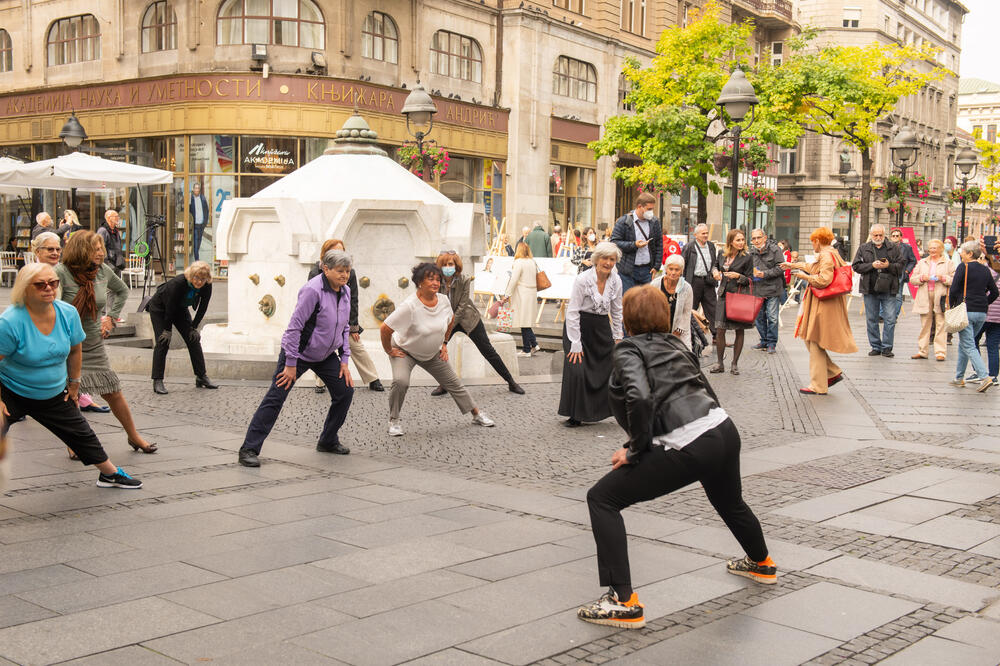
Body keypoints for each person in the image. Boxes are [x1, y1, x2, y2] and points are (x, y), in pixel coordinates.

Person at [577, 285, 775, 629]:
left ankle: (623, 602)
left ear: (628, 320)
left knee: (602, 499)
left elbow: (639, 397)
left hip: (690, 440)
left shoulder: (627, 349)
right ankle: (762, 563)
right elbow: (704, 387)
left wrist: (635, 450)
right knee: (730, 502)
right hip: (722, 428)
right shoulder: (675, 343)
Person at [0, 264, 142, 488]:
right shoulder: (10, 322)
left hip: (52, 391)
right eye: (40, 284)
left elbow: (75, 350)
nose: (49, 288)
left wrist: (75, 383)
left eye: (53, 283)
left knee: (81, 433)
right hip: (11, 389)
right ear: (25, 288)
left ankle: (109, 474)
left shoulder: (67, 313)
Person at [238, 249, 356, 467]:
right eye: (340, 271)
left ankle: (328, 440)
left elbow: (344, 327)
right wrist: (291, 363)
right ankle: (249, 449)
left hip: (325, 355)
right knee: (276, 397)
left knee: (345, 391)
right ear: (326, 269)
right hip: (298, 352)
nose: (345, 275)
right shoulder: (312, 290)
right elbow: (294, 328)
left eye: (347, 271)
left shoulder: (345, 291)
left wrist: (344, 359)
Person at [56, 232, 158, 454]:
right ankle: (74, 443)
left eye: (101, 248)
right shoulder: (61, 273)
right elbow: (53, 307)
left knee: (113, 391)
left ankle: (134, 436)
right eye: (95, 248)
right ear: (81, 250)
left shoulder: (102, 271)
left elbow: (122, 290)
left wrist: (111, 317)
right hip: (67, 345)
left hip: (93, 341)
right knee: (70, 394)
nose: (101, 253)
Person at [381, 262, 495, 436]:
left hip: (432, 353)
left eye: (437, 279)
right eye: (430, 279)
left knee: (454, 383)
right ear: (419, 282)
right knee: (400, 381)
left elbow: (450, 321)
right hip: (406, 351)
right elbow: (385, 328)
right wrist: (389, 350)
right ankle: (393, 421)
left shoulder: (443, 300)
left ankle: (476, 415)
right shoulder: (409, 306)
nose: (435, 283)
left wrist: (444, 344)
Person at [31, 232, 110, 422]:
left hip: (74, 332)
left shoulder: (68, 271)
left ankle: (80, 400)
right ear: (37, 251)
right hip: (46, 330)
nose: (55, 253)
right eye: (50, 249)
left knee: (72, 367)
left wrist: (108, 316)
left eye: (58, 249)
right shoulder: (33, 273)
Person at [431, 251, 523, 394]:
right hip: (447, 321)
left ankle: (511, 382)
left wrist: (449, 326)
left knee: (488, 350)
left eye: (450, 264)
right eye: (444, 265)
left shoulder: (464, 280)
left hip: (469, 319)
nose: (447, 267)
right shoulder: (436, 282)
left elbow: (462, 307)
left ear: (456, 265)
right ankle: (444, 384)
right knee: (438, 351)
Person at [784, 227, 857, 394]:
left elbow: (824, 279)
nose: (812, 245)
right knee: (811, 338)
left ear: (817, 241)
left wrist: (804, 277)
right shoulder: (831, 253)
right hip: (826, 302)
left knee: (814, 339)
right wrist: (793, 265)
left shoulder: (826, 255)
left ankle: (819, 384)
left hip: (823, 303)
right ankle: (831, 373)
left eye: (812, 242)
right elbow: (813, 267)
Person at [559, 242, 623, 427]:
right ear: (596, 259)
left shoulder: (616, 281)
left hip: (601, 328)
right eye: (605, 258)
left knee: (605, 369)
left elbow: (617, 310)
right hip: (578, 326)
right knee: (577, 370)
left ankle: (599, 411)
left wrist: (618, 336)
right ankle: (575, 414)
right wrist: (575, 342)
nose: (608, 263)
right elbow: (572, 311)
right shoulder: (583, 279)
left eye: (612, 259)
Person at [309, 239, 384, 394]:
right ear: (325, 254)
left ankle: (372, 378)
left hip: (344, 320)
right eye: (334, 251)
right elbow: (311, 301)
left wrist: (353, 326)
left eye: (341, 251)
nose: (339, 254)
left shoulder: (350, 272)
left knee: (356, 345)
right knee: (322, 348)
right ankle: (320, 382)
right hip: (324, 321)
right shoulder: (316, 271)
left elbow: (353, 299)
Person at [147, 261, 217, 395]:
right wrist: (167, 330)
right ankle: (157, 380)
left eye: (202, 279)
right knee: (163, 341)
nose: (199, 282)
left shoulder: (207, 285)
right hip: (161, 307)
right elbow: (170, 307)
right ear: (191, 276)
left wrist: (194, 327)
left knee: (193, 339)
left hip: (180, 308)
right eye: (196, 278)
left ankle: (201, 376)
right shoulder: (179, 283)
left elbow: (203, 307)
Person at [948, 241, 998, 392]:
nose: (960, 253)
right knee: (965, 343)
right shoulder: (985, 269)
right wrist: (985, 303)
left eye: (963, 251)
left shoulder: (963, 267)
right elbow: (995, 292)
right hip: (981, 312)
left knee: (969, 344)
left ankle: (985, 377)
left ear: (970, 254)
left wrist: (952, 306)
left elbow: (954, 289)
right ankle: (959, 378)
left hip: (966, 310)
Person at [852, 224, 904, 358]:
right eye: (876, 235)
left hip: (889, 289)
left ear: (884, 235)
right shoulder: (864, 248)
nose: (878, 237)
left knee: (890, 319)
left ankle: (887, 347)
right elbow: (856, 266)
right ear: (871, 235)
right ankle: (875, 346)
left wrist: (888, 265)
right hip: (870, 289)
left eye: (881, 235)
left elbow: (901, 266)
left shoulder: (893, 247)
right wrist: (871, 265)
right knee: (871, 319)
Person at [710, 229, 753, 375]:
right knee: (720, 329)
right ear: (730, 241)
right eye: (738, 240)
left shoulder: (747, 257)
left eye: (742, 240)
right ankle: (720, 363)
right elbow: (715, 266)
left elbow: (750, 279)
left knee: (739, 329)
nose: (741, 242)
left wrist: (738, 276)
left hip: (738, 296)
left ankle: (734, 364)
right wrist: (715, 272)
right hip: (723, 294)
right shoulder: (722, 253)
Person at [909, 239, 953, 361]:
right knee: (925, 324)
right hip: (925, 295)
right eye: (931, 248)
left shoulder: (948, 263)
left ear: (941, 249)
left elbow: (954, 279)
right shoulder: (922, 262)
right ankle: (922, 351)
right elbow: (912, 279)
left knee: (940, 323)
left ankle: (940, 352)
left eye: (935, 248)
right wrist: (922, 278)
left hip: (941, 295)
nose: (932, 250)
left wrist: (943, 278)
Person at [610, 192, 663, 293]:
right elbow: (614, 242)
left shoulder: (654, 221)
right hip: (628, 271)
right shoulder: (624, 221)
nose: (651, 212)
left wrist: (656, 266)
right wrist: (634, 245)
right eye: (649, 209)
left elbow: (659, 244)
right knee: (628, 300)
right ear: (639, 207)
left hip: (647, 270)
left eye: (652, 209)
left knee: (646, 300)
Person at [749, 229, 786, 354]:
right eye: (754, 238)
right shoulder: (751, 252)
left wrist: (764, 274)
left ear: (764, 238)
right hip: (758, 289)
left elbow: (781, 267)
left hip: (773, 288)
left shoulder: (775, 249)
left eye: (759, 237)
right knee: (759, 318)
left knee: (772, 317)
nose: (756, 241)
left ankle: (771, 343)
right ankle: (764, 340)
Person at [681, 223, 718, 337]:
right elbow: (683, 264)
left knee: (713, 308)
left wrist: (715, 271)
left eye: (707, 233)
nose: (706, 235)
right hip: (694, 281)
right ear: (696, 235)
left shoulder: (711, 246)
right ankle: (690, 335)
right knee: (691, 308)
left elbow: (715, 263)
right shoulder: (689, 247)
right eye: (703, 233)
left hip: (708, 281)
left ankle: (716, 335)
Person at [505, 242, 540, 357]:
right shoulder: (532, 262)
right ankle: (534, 344)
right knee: (526, 320)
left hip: (522, 294)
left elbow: (514, 279)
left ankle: (526, 350)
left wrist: (507, 294)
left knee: (523, 321)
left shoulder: (518, 262)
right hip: (532, 293)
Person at [650, 254, 693, 350]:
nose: (673, 273)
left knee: (682, 355)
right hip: (657, 329)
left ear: (681, 271)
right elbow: (648, 308)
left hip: (679, 330)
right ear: (666, 269)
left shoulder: (687, 288)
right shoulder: (655, 284)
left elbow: (687, 312)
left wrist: (679, 330)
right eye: (671, 269)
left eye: (677, 270)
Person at [890, 228, 917, 320]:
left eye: (897, 236)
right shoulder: (886, 247)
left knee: (898, 296)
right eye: (893, 236)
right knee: (885, 295)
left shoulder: (907, 248)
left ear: (901, 237)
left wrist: (907, 271)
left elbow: (913, 260)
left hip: (900, 274)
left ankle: (894, 316)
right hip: (888, 274)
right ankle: (883, 315)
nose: (895, 237)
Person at [96, 209, 125, 275]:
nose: (118, 218)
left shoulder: (116, 231)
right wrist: (106, 264)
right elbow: (100, 248)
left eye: (118, 217)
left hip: (117, 265)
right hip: (108, 265)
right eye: (116, 216)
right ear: (109, 218)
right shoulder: (103, 231)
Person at [189, 181, 210, 262]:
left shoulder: (203, 198)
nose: (197, 190)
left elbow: (206, 210)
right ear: (193, 189)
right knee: (195, 241)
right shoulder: (191, 199)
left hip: (201, 224)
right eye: (195, 188)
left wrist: (205, 222)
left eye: (198, 188)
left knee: (199, 241)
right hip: (194, 224)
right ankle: (197, 259)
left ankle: (196, 255)